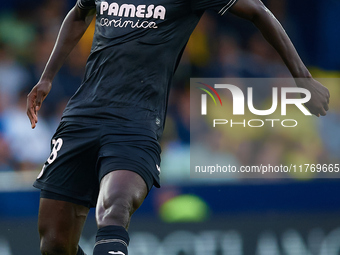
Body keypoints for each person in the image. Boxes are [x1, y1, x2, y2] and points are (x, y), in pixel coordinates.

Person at [26, 0, 330, 254]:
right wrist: (47, 77)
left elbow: (258, 10)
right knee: (53, 243)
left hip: (136, 122)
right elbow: (80, 12)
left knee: (113, 208)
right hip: (82, 116)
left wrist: (302, 78)